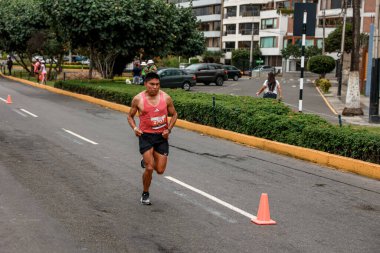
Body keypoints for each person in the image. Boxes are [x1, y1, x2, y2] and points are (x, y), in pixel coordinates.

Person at [127, 72, 178, 205]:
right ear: (145, 84)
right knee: (149, 168)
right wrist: (135, 128)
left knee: (160, 170)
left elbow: (174, 114)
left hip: (161, 136)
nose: (155, 87)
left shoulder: (166, 98)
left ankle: (146, 161)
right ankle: (145, 193)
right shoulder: (138, 99)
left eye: (157, 84)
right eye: (152, 84)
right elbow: (130, 116)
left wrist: (169, 129)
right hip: (146, 136)